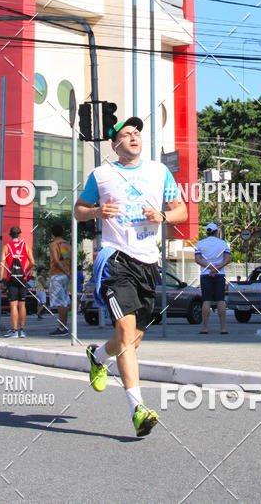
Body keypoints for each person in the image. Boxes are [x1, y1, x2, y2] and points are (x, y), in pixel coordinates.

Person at [74, 116, 187, 437]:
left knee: (133, 339)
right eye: (127, 134)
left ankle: (97, 356)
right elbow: (78, 209)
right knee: (125, 335)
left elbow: (182, 211)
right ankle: (138, 409)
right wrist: (96, 212)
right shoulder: (102, 175)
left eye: (137, 132)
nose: (134, 137)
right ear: (116, 144)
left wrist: (163, 216)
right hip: (115, 260)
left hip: (148, 263)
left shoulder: (159, 171)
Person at [194, 222, 231, 334]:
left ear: (207, 232)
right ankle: (223, 328)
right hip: (220, 275)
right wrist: (217, 268)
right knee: (221, 300)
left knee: (206, 301)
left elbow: (197, 259)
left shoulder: (200, 244)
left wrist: (209, 268)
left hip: (205, 274)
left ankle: (205, 328)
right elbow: (227, 259)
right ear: (216, 232)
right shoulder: (223, 243)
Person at [0, 226, 34, 338]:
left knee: (13, 304)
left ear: (10, 235)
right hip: (22, 278)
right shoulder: (25, 246)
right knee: (22, 304)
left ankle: (14, 331)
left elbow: (1, 265)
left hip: (11, 279)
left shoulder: (6, 247)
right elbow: (32, 262)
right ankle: (22, 331)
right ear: (19, 235)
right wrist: (25, 271)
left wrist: (0, 280)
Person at [48, 224, 71, 336]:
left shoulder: (53, 245)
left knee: (60, 302)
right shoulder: (65, 244)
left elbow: (56, 261)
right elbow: (67, 259)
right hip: (66, 275)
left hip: (57, 274)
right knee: (65, 301)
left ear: (52, 234)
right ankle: (64, 326)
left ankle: (62, 327)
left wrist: (65, 271)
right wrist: (68, 271)